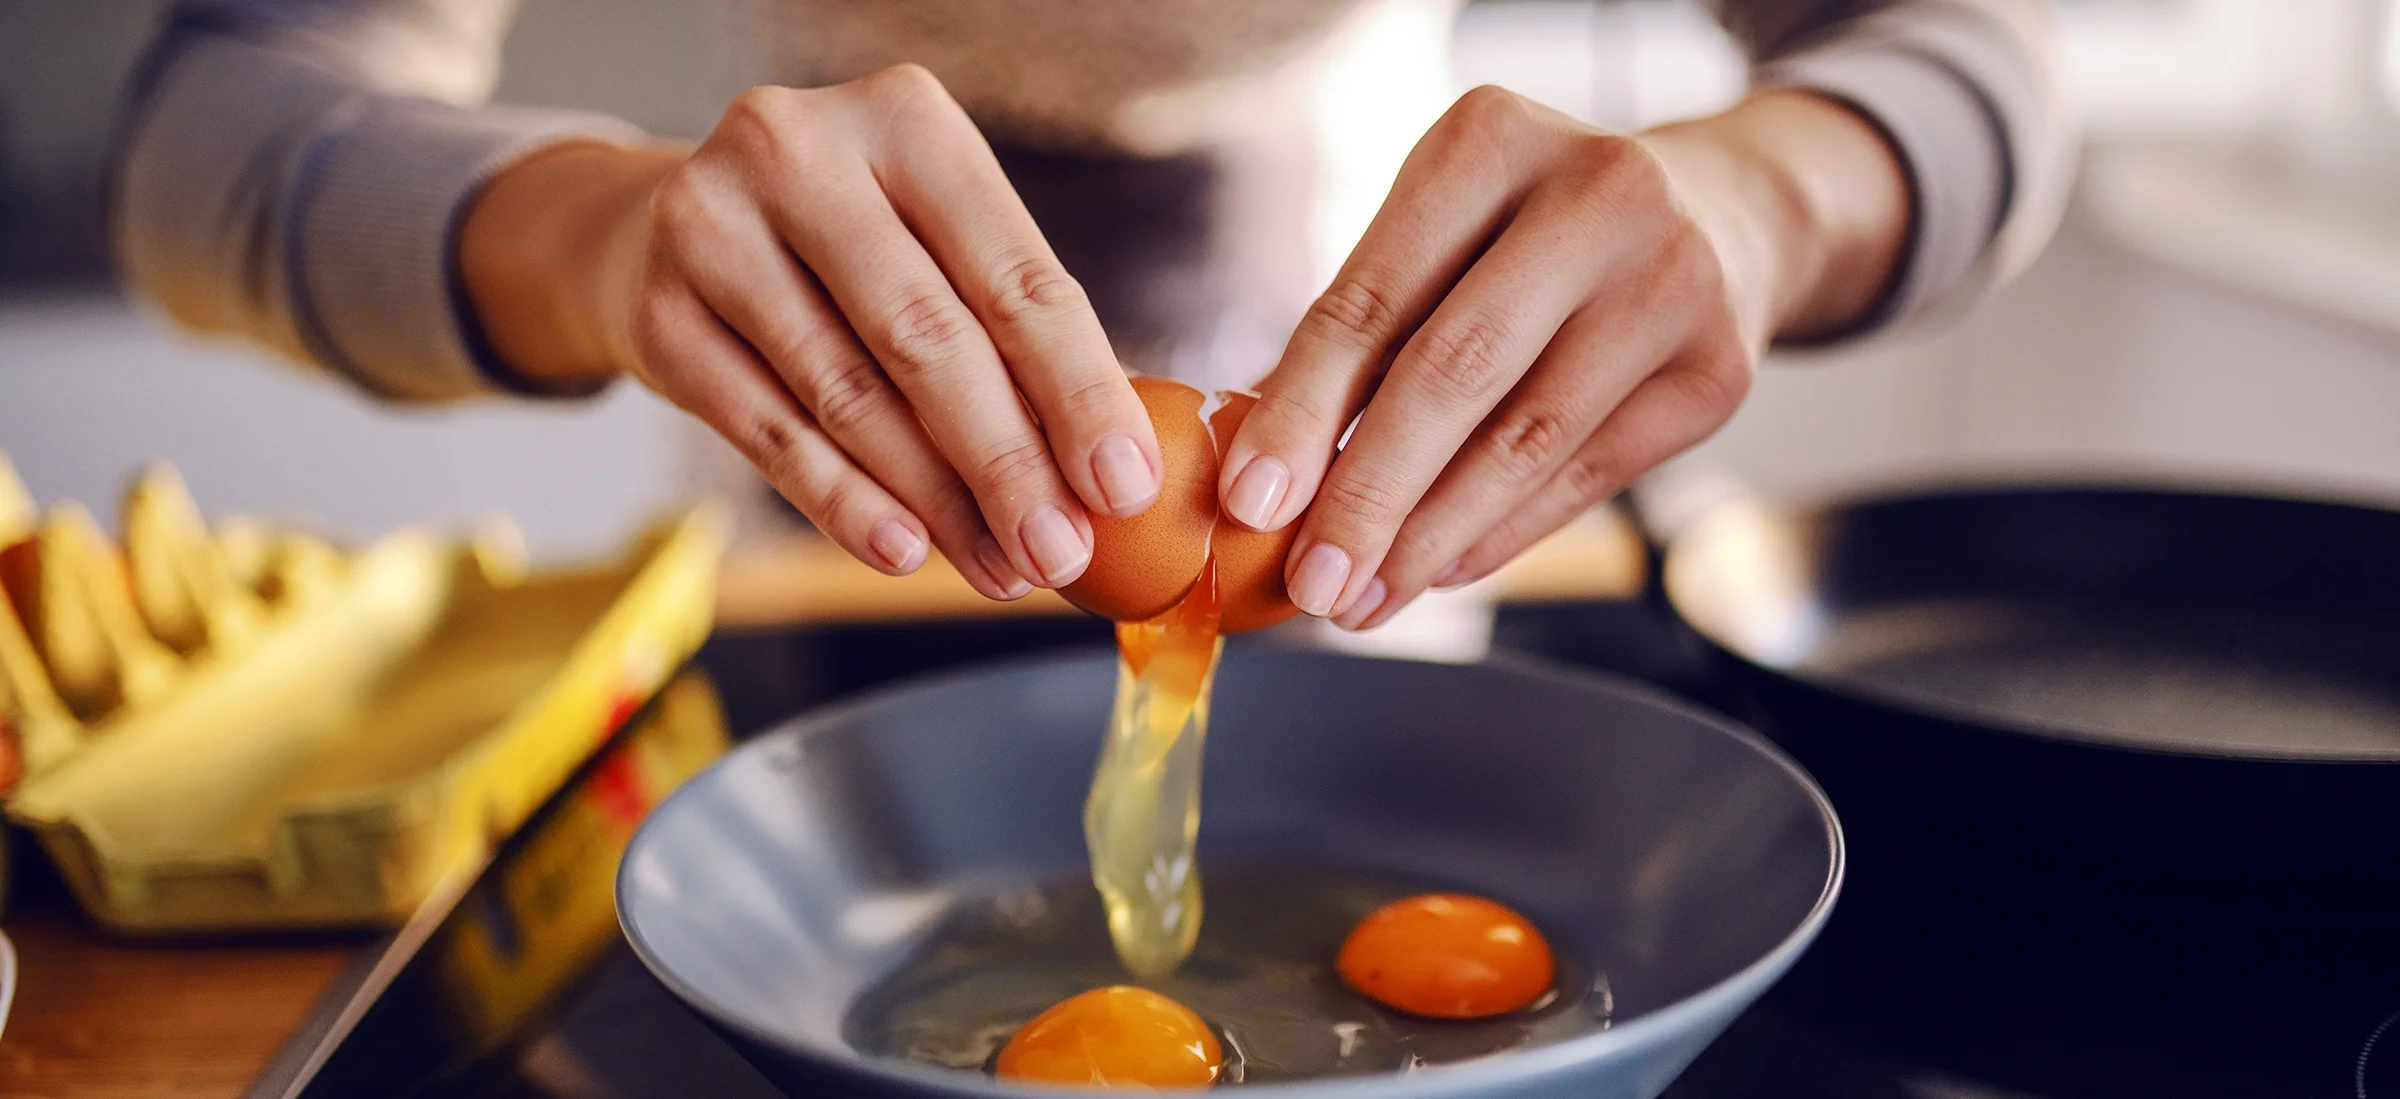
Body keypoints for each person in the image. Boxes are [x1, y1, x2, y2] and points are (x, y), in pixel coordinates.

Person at [111, 0, 2068, 631]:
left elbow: (1985, 69)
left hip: (1398, 553)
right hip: (831, 536)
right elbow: (209, 133)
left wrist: (1756, 199)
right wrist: (604, 240)